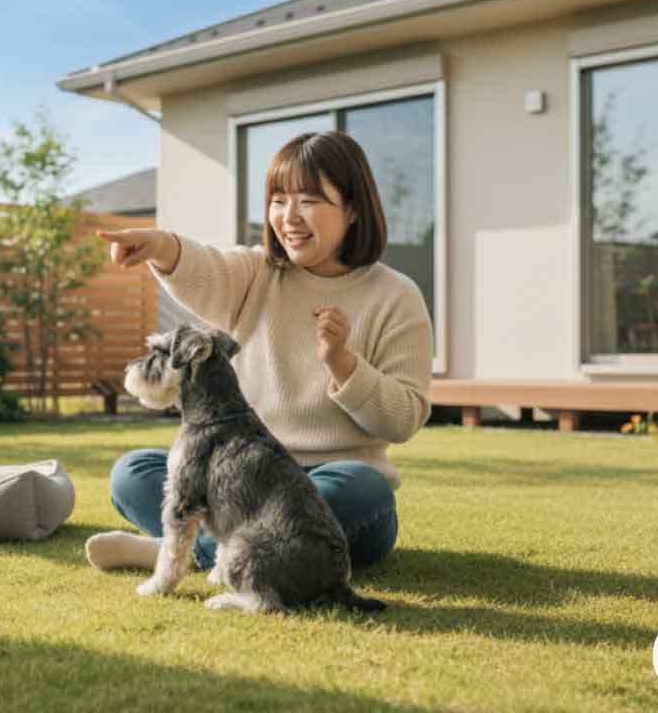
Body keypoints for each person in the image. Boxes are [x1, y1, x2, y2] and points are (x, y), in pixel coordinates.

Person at [86, 130, 432, 573]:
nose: (288, 216)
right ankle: (224, 555)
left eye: (308, 200)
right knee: (133, 472)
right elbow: (205, 268)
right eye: (277, 200)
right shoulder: (257, 275)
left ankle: (182, 553)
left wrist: (342, 363)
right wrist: (162, 246)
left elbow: (403, 418)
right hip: (243, 480)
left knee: (362, 487)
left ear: (352, 208)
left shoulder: (396, 296)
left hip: (333, 491)